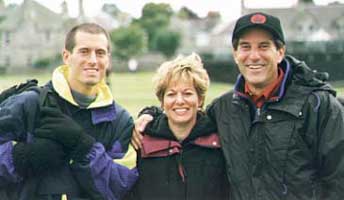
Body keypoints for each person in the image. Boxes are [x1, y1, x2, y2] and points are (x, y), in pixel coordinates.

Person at [133, 12, 344, 199]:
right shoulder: (223, 109)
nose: (254, 56)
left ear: (280, 52)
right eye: (245, 47)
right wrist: (149, 114)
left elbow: (339, 180)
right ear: (235, 55)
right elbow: (184, 117)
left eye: (264, 46)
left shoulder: (317, 105)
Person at [0, 23, 138, 200]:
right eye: (84, 51)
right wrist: (22, 158)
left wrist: (84, 147)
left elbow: (122, 185)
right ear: (66, 56)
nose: (93, 60)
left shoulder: (121, 120)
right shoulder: (29, 103)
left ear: (108, 59)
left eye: (100, 53)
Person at [126, 53, 229, 200]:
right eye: (171, 94)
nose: (179, 101)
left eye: (187, 93)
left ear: (200, 99)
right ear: (162, 101)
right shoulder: (142, 139)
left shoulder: (219, 140)